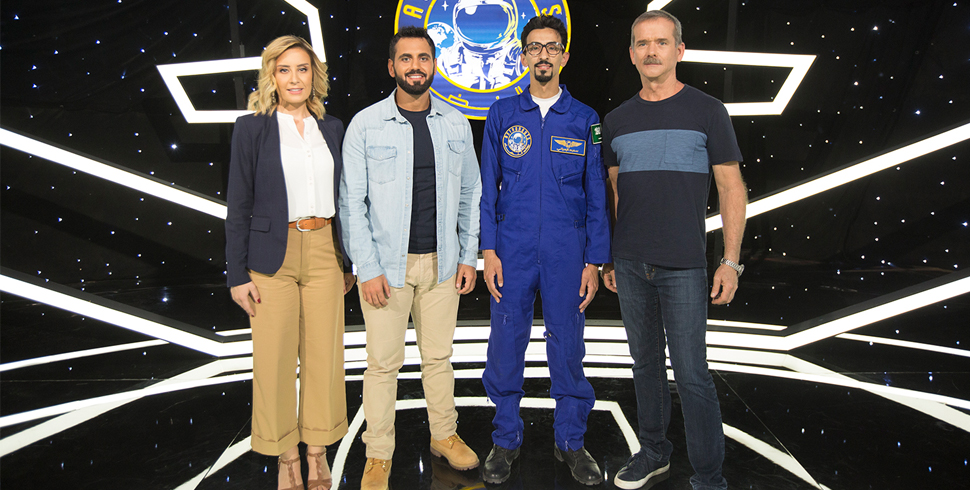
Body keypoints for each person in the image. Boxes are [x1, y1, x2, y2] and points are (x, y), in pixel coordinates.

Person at [600, 10, 747, 490]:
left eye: (661, 42)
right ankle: (654, 452)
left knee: (691, 374)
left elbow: (731, 188)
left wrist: (730, 261)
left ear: (679, 50)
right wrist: (612, 257)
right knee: (645, 366)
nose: (651, 51)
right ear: (631, 54)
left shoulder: (708, 111)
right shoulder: (616, 120)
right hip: (630, 264)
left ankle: (708, 478)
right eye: (642, 43)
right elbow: (616, 193)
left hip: (683, 266)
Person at [339, 26, 483, 490]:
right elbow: (351, 204)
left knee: (438, 358)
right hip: (387, 269)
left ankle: (444, 435)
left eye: (423, 58)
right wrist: (367, 267)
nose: (415, 66)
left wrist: (467, 256)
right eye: (406, 58)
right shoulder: (366, 125)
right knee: (383, 365)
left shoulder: (456, 123)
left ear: (434, 65)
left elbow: (471, 194)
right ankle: (378, 454)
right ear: (391, 67)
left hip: (443, 265)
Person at [479, 15, 612, 486]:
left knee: (568, 344)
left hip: (566, 250)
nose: (543, 55)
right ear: (522, 57)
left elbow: (596, 192)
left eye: (552, 47)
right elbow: (487, 188)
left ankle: (571, 441)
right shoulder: (502, 115)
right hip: (511, 248)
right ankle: (505, 438)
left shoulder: (585, 119)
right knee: (505, 343)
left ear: (564, 56)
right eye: (534, 47)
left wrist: (594, 260)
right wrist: (488, 250)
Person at [225, 35, 356, 490]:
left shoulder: (333, 128)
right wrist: (236, 273)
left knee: (324, 356)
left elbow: (346, 197)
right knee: (275, 359)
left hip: (324, 250)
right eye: (285, 70)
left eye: (303, 69)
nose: (294, 78)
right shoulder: (251, 128)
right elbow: (238, 205)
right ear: (272, 77)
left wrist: (348, 261)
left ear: (314, 76)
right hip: (270, 256)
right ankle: (286, 457)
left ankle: (317, 452)